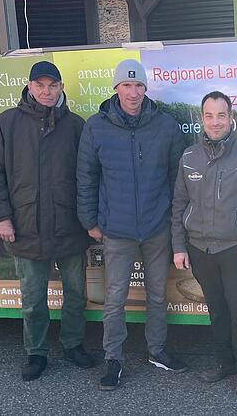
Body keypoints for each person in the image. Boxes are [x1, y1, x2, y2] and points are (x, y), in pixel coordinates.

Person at [76, 59, 186, 391]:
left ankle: (157, 350)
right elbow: (86, 177)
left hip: (156, 225)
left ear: (145, 89)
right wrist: (90, 220)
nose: (133, 92)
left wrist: (171, 220)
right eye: (127, 85)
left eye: (139, 86)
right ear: (116, 88)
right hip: (116, 227)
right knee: (115, 296)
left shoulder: (165, 126)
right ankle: (113, 358)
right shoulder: (96, 126)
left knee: (156, 293)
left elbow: (177, 178)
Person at [0, 60, 93, 381]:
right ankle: (36, 352)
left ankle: (73, 345)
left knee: (75, 294)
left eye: (53, 85)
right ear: (29, 87)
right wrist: (2, 216)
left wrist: (89, 219)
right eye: (40, 85)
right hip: (25, 227)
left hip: (70, 227)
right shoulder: (7, 123)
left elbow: (89, 176)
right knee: (32, 299)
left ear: (61, 88)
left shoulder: (76, 126)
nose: (46, 91)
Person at [171, 91, 237, 394]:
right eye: (209, 115)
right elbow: (178, 203)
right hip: (200, 249)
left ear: (232, 118)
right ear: (201, 119)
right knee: (216, 309)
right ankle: (224, 361)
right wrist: (178, 245)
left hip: (236, 249)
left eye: (221, 115)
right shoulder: (189, 156)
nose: (215, 122)